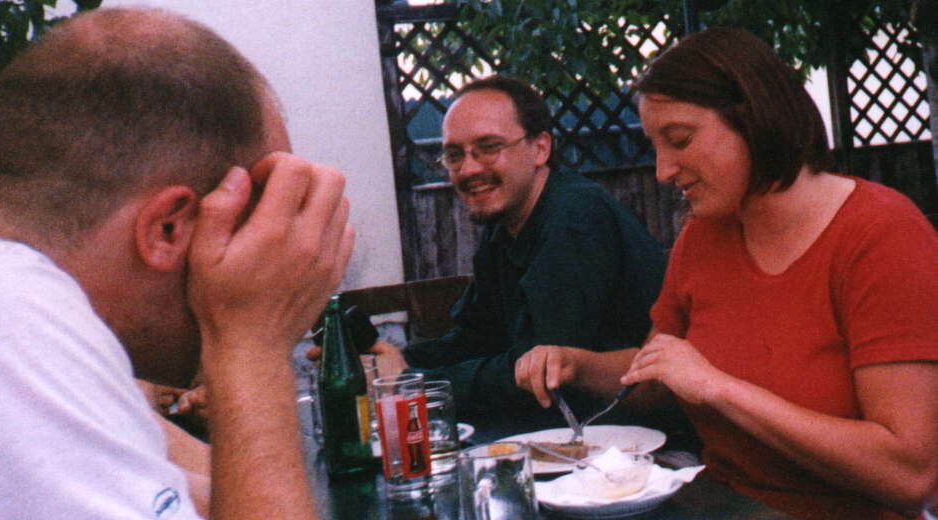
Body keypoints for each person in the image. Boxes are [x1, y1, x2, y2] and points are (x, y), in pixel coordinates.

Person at [515, 27, 938, 519]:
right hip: (720, 505)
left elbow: (909, 475)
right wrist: (578, 365)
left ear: (754, 119)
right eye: (655, 145)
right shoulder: (703, 237)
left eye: (680, 139)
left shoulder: (881, 235)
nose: (662, 170)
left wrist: (721, 388)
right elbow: (659, 379)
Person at [0, 7, 354, 520]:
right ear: (169, 229)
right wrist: (253, 344)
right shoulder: (2, 317)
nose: (267, 251)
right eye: (251, 222)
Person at [359, 75, 670, 433]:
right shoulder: (505, 224)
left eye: (489, 147)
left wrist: (412, 382)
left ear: (540, 149)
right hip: (573, 433)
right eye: (454, 155)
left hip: (640, 442)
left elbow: (537, 377)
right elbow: (474, 339)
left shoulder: (574, 217)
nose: (469, 169)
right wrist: (387, 362)